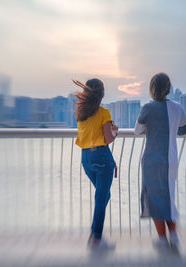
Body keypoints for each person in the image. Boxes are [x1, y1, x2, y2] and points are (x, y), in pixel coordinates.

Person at [134, 73, 186, 250]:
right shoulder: (177, 107)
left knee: (154, 198)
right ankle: (173, 236)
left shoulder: (147, 108)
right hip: (170, 160)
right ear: (168, 88)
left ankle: (162, 238)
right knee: (169, 196)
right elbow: (185, 129)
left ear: (152, 88)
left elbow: (137, 131)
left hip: (152, 160)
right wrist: (171, 128)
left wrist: (151, 128)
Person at [73, 78, 118, 251]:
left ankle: (94, 233)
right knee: (101, 198)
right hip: (101, 158)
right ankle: (96, 239)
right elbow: (108, 139)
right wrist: (116, 131)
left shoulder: (81, 114)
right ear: (101, 94)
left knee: (103, 197)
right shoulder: (104, 113)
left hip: (86, 159)